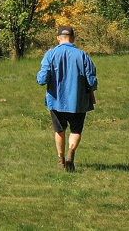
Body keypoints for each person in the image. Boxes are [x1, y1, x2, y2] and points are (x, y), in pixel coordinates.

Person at [36, 25, 98, 172]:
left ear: (58, 38)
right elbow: (92, 81)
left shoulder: (50, 55)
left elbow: (42, 79)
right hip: (78, 102)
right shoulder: (83, 55)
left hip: (56, 101)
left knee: (59, 131)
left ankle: (61, 159)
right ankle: (71, 153)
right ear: (73, 38)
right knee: (76, 130)